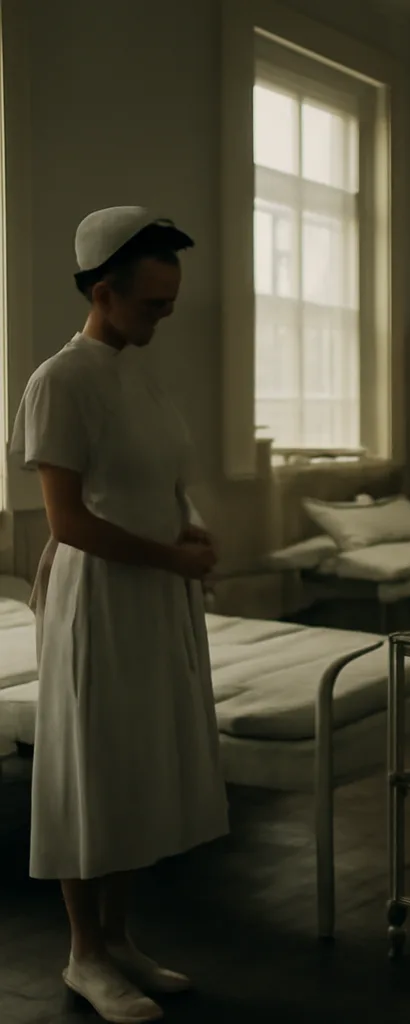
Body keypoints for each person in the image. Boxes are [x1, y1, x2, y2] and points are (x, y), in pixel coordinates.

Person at [9, 207, 230, 1023]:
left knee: (136, 765)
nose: (163, 320)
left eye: (170, 304)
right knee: (94, 769)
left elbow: (148, 486)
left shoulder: (138, 370)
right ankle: (83, 954)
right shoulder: (59, 381)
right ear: (103, 292)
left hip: (150, 592)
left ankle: (120, 936)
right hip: (98, 597)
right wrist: (170, 556)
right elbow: (69, 523)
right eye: (152, 306)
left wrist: (185, 526)